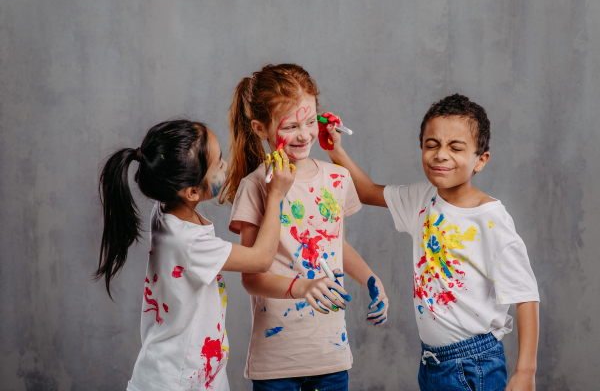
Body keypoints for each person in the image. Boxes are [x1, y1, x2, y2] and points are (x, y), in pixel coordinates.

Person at [323, 94, 540, 391]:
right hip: (432, 362)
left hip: (474, 363)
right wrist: (335, 150)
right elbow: (366, 191)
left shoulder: (490, 218)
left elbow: (525, 295)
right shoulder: (422, 198)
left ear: (481, 160)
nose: (440, 155)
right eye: (432, 144)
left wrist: (526, 371)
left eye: (456, 147)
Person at [219, 63, 389, 391]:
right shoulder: (255, 186)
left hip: (331, 355)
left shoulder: (336, 178)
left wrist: (371, 278)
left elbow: (332, 243)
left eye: (310, 121)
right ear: (260, 128)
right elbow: (252, 276)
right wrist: (303, 286)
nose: (304, 134)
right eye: (291, 126)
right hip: (277, 362)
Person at [95, 119, 294, 391]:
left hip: (192, 369)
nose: (225, 165)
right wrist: (276, 196)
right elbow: (261, 259)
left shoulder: (166, 205)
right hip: (178, 379)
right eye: (219, 163)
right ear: (191, 192)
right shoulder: (189, 242)